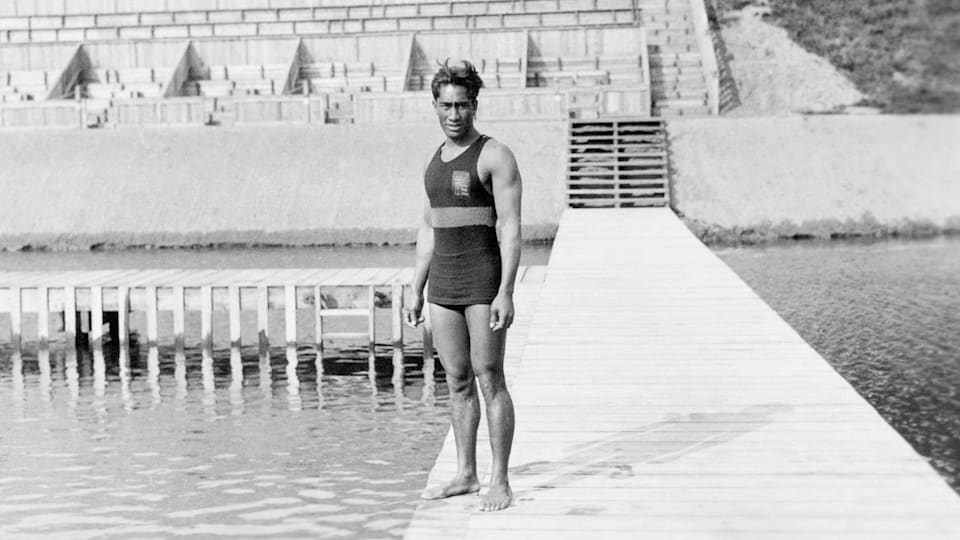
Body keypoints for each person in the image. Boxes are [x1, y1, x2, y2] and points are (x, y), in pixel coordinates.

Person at [404, 59, 522, 512]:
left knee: (489, 377)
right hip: (443, 286)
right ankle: (466, 473)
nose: (454, 114)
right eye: (446, 105)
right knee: (455, 380)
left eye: (462, 105)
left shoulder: (494, 155)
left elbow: (510, 227)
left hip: (482, 281)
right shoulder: (434, 162)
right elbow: (429, 228)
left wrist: (506, 291)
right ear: (434, 105)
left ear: (475, 105)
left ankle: (501, 481)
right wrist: (416, 285)